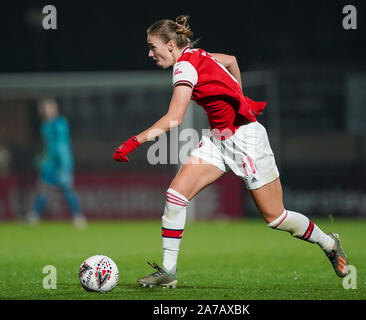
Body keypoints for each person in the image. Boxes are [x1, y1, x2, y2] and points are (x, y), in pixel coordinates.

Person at [113, 15, 349, 288]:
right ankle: (168, 271)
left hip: (247, 141)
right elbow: (232, 60)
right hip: (219, 139)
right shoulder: (196, 54)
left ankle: (328, 242)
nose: (150, 53)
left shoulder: (184, 68)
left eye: (153, 47)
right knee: (175, 195)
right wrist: (240, 97)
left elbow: (175, 118)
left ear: (169, 45)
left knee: (275, 217)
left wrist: (133, 142)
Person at [27, 98, 87, 228]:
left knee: (67, 188)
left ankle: (78, 216)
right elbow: (49, 146)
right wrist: (44, 158)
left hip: (62, 162)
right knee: (43, 189)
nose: (49, 109)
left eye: (51, 106)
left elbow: (61, 146)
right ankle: (35, 215)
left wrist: (64, 164)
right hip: (50, 164)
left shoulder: (60, 123)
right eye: (46, 107)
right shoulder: (45, 126)